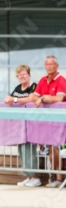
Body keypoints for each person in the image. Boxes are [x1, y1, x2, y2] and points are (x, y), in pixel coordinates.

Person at [4, 64, 40, 187]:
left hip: (31, 124)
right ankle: (28, 176)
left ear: (29, 75)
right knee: (22, 150)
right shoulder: (17, 88)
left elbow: (30, 99)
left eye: (24, 74)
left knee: (30, 150)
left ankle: (35, 177)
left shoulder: (34, 86)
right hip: (19, 125)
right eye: (20, 74)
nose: (22, 76)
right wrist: (9, 99)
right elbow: (10, 97)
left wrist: (14, 100)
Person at [33, 56, 66, 188]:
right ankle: (54, 177)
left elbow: (59, 98)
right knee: (51, 148)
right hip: (46, 121)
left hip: (59, 121)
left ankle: (58, 178)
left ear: (57, 66)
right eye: (47, 64)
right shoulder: (42, 80)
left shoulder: (61, 80)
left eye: (52, 64)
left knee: (54, 147)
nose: (49, 66)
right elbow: (34, 96)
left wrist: (46, 99)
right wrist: (42, 98)